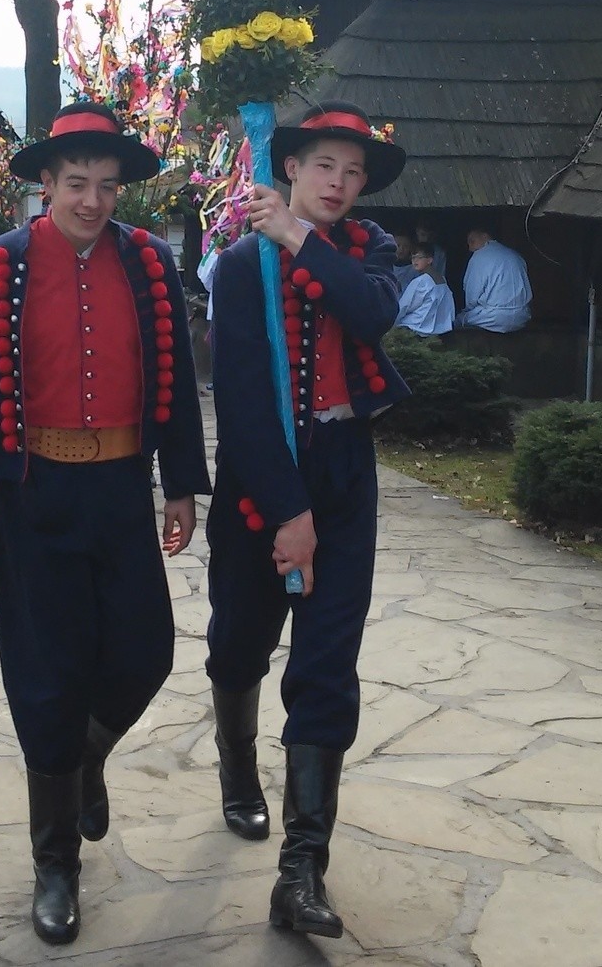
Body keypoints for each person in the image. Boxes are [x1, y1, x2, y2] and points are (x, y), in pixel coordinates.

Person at [0, 101, 210, 947]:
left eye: (108, 185)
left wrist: (182, 484)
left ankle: (83, 757)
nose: (93, 200)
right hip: (34, 496)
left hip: (123, 487)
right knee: (46, 676)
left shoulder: (152, 267)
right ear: (45, 184)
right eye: (77, 183)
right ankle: (55, 861)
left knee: (145, 652)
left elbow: (178, 377)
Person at [206, 102, 409, 939]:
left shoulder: (369, 255)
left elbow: (371, 315)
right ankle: (235, 770)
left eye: (354, 171)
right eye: (325, 165)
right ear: (289, 166)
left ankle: (301, 870)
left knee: (328, 662)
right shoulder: (239, 266)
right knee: (241, 641)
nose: (341, 183)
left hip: (344, 468)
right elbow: (244, 403)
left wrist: (296, 236)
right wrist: (286, 513)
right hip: (264, 468)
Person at [456, 227, 532, 332]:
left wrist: (467, 310)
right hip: (521, 316)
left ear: (485, 236)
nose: (470, 248)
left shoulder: (479, 256)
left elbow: (472, 295)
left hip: (492, 317)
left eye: (472, 241)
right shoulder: (516, 255)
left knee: (457, 320)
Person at [395, 241, 455, 336]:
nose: (415, 261)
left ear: (429, 260)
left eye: (419, 257)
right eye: (413, 257)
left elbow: (404, 306)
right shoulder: (441, 279)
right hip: (439, 326)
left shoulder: (421, 281)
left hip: (418, 325)